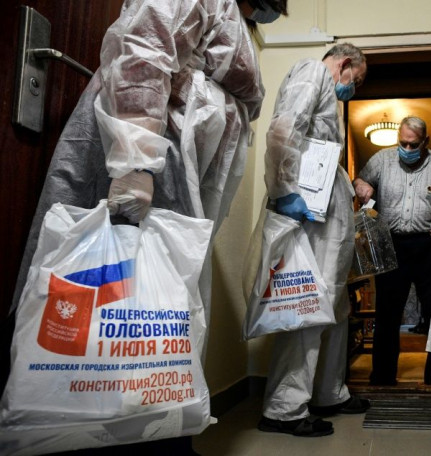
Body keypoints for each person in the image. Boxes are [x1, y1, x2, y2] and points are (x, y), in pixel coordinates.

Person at [6, 0, 287, 453]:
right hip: (150, 152)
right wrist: (136, 163)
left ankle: (148, 425)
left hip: (178, 160)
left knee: (147, 309)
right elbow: (144, 41)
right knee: (100, 291)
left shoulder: (235, 15)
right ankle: (80, 423)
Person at [257, 43, 370, 437]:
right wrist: (284, 189)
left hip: (326, 218)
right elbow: (284, 128)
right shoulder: (313, 72)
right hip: (307, 213)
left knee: (335, 306)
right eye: (355, 81)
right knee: (307, 302)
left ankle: (328, 392)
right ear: (345, 63)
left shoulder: (328, 92)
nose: (352, 89)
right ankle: (284, 408)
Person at [353, 116, 431, 386]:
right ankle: (383, 376)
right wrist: (361, 186)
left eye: (413, 145)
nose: (407, 150)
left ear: (426, 142)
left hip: (428, 245)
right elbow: (359, 179)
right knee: (387, 312)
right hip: (391, 243)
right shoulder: (382, 159)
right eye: (403, 143)